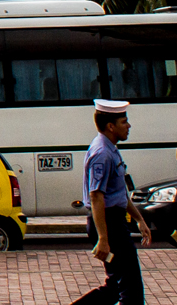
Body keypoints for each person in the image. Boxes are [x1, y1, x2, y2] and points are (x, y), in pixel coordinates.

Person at [75, 99, 145, 305]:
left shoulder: (110, 149)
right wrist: (104, 238)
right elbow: (97, 196)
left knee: (116, 285)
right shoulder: (102, 153)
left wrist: (139, 219)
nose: (129, 126)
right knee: (131, 289)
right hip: (110, 226)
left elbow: (119, 192)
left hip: (113, 224)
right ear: (111, 126)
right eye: (124, 122)